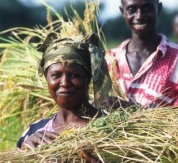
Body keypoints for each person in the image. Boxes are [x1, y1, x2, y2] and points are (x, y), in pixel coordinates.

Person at [106, 0, 178, 110]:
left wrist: (130, 108)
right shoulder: (110, 60)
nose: (139, 16)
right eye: (132, 9)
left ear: (158, 8)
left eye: (147, 8)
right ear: (123, 12)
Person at [16, 31, 110, 162]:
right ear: (47, 79)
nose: (65, 83)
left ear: (88, 78)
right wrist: (23, 153)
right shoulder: (34, 131)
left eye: (75, 75)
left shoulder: (112, 127)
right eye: (56, 75)